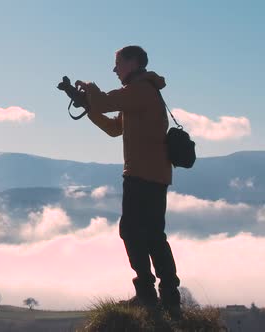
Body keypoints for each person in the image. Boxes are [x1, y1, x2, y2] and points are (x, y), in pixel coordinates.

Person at [75, 45, 181, 318]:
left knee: (133, 233)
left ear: (133, 63)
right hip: (154, 175)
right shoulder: (141, 92)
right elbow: (115, 128)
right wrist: (90, 106)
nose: (115, 69)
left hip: (141, 175)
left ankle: (147, 295)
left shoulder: (140, 90)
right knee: (154, 236)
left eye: (118, 63)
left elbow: (106, 102)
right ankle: (168, 298)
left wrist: (89, 89)